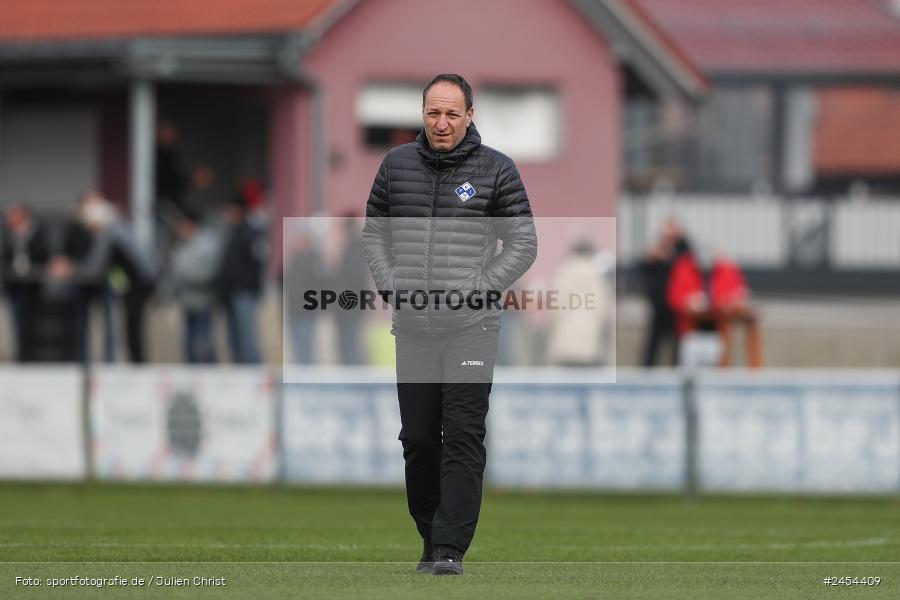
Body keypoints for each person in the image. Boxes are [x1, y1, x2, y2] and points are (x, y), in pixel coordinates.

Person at [361, 74, 537, 575]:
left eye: (451, 115)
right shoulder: (395, 165)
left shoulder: (497, 169)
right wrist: (392, 283)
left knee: (462, 431)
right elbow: (375, 232)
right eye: (433, 113)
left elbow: (523, 243)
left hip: (472, 326)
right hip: (413, 326)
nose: (441, 123)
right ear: (422, 114)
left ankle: (449, 548)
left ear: (470, 115)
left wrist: (480, 286)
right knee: (418, 438)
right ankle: (430, 533)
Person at [545, 240, 613, 367]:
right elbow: (604, 311)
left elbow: (554, 308)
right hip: (590, 344)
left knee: (565, 384)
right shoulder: (598, 275)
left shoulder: (563, 273)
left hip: (564, 344)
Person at [218, 189, 267, 364]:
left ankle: (255, 375)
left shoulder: (250, 234)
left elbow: (256, 264)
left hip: (244, 291)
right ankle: (240, 375)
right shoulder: (231, 233)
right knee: (234, 339)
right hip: (230, 293)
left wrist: (242, 283)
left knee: (247, 338)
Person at [170, 215, 224, 363]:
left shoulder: (206, 244)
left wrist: (188, 277)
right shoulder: (182, 244)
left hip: (202, 299)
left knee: (203, 339)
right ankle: (192, 370)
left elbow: (210, 271)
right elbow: (175, 268)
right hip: (187, 299)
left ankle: (208, 370)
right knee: (188, 339)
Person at [638, 218, 684, 366]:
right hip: (658, 302)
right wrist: (653, 257)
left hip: (676, 303)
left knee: (677, 341)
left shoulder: (683, 248)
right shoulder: (659, 247)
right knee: (653, 341)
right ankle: (647, 370)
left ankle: (676, 369)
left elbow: (686, 267)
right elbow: (644, 268)